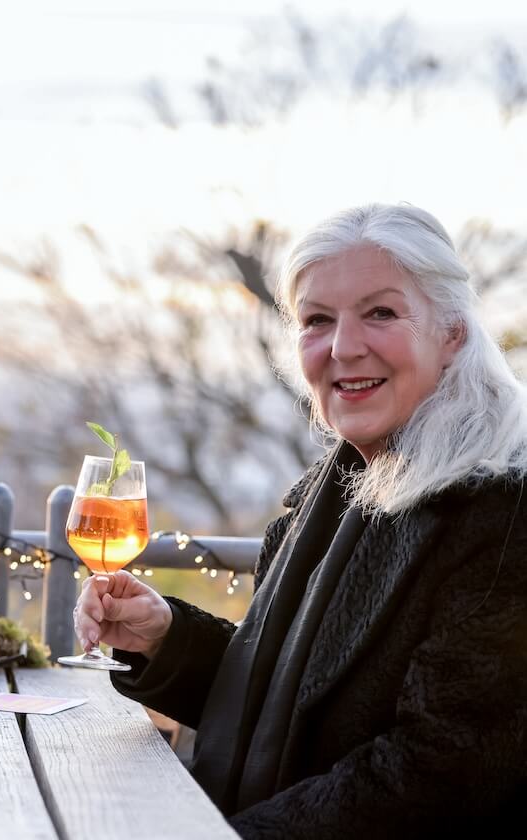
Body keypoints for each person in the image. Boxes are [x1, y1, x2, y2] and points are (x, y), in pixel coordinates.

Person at [74, 203, 527, 838]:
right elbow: (285, 702)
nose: (343, 347)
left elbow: (446, 770)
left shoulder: (504, 509)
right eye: (317, 320)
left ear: (452, 332)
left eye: (381, 312)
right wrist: (164, 636)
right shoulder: (334, 493)